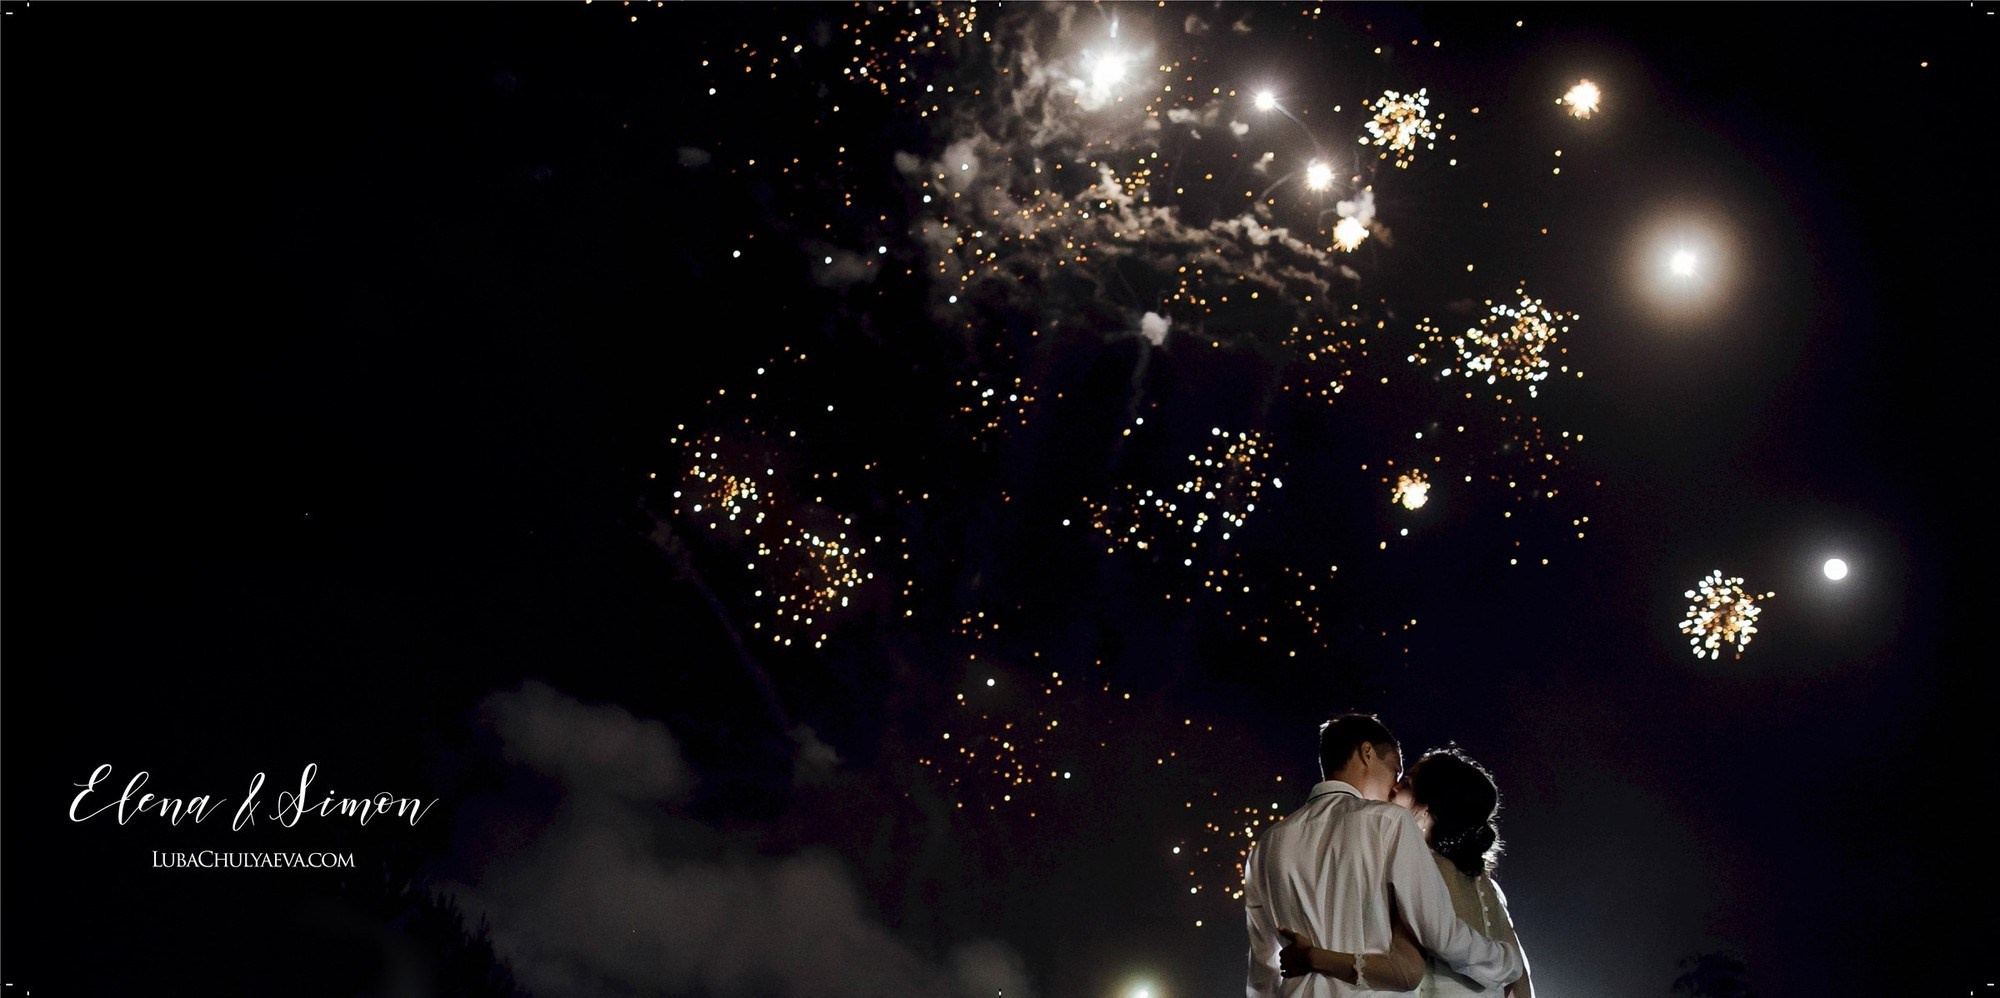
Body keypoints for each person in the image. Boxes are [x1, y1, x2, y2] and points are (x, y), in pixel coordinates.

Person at [1244, 714, 1523, 997]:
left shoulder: (1265, 847)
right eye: (1395, 769)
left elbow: (1262, 972)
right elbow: (1440, 935)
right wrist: (1510, 964)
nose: (1393, 784)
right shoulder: (1390, 823)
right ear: (1367, 754)